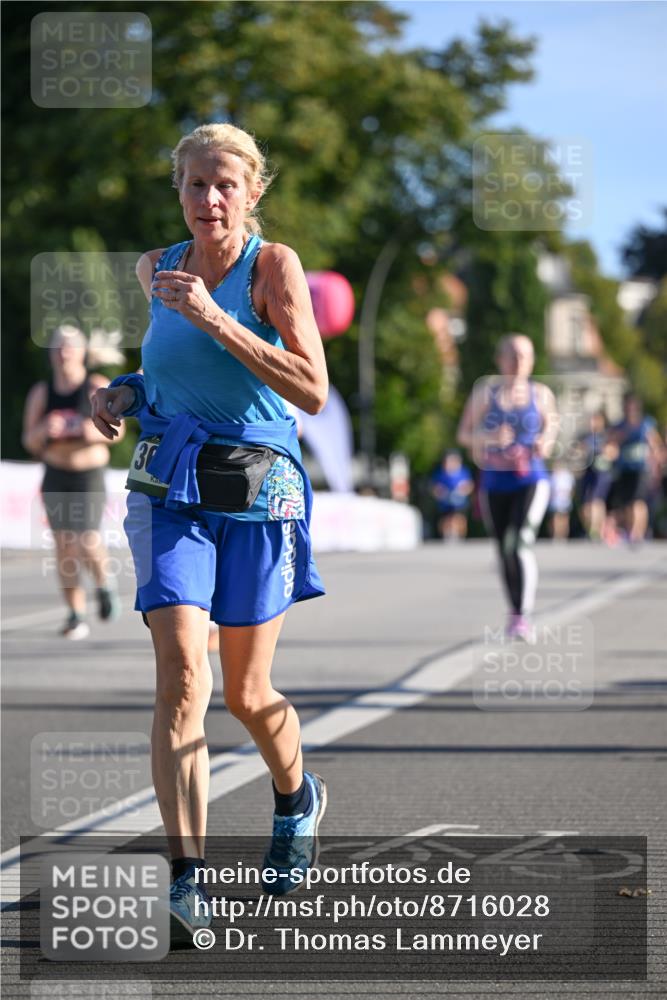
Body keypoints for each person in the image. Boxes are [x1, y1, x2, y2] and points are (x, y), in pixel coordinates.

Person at [90, 123, 329, 940]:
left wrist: (220, 320)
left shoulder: (273, 267)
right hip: (170, 487)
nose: (210, 199)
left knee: (247, 693)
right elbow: (168, 369)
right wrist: (122, 392)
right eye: (195, 184)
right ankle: (185, 878)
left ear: (253, 191)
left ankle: (297, 798)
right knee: (182, 678)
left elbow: (312, 390)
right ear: (178, 191)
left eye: (226, 184)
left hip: (260, 492)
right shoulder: (155, 268)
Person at [22, 325, 122, 639]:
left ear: (82, 352)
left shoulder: (95, 387)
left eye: (70, 347)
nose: (64, 353)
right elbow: (29, 440)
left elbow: (116, 433)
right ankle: (75, 613)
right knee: (64, 546)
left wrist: (82, 429)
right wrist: (45, 430)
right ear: (52, 354)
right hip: (55, 475)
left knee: (87, 539)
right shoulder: (42, 392)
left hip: (88, 475)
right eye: (58, 347)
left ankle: (104, 583)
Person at [457, 334, 558, 641]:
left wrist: (544, 442)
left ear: (532, 361)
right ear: (499, 360)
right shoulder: (485, 393)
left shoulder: (540, 394)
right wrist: (489, 439)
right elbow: (463, 434)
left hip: (530, 479)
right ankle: (515, 614)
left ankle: (523, 614)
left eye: (524, 356)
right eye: (512, 355)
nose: (518, 362)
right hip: (495, 481)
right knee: (504, 549)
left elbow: (551, 429)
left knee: (520, 539)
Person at [607, 393, 664, 544]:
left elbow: (655, 444)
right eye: (627, 406)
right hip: (624, 468)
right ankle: (629, 529)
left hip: (641, 469)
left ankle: (637, 533)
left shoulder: (646, 424)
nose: (630, 409)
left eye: (633, 407)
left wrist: (656, 464)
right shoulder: (620, 425)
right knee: (626, 503)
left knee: (637, 501)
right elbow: (611, 444)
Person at [576, 411, 617, 542]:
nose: (593, 423)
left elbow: (614, 453)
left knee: (596, 501)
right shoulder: (586, 437)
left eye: (596, 420)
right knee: (585, 505)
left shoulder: (607, 436)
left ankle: (596, 530)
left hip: (601, 473)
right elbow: (578, 452)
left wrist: (604, 453)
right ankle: (592, 529)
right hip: (588, 471)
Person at [430, 449, 474, 540]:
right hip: (445, 501)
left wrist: (462, 491)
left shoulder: (463, 472)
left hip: (460, 501)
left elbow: (469, 485)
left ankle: (459, 534)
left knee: (459, 517)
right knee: (445, 518)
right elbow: (434, 487)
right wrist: (440, 493)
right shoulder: (440, 474)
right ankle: (446, 534)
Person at [548, 461, 574, 541]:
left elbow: (571, 490)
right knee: (555, 519)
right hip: (554, 502)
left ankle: (563, 536)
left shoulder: (567, 476)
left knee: (564, 519)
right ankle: (556, 535)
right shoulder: (552, 476)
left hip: (565, 501)